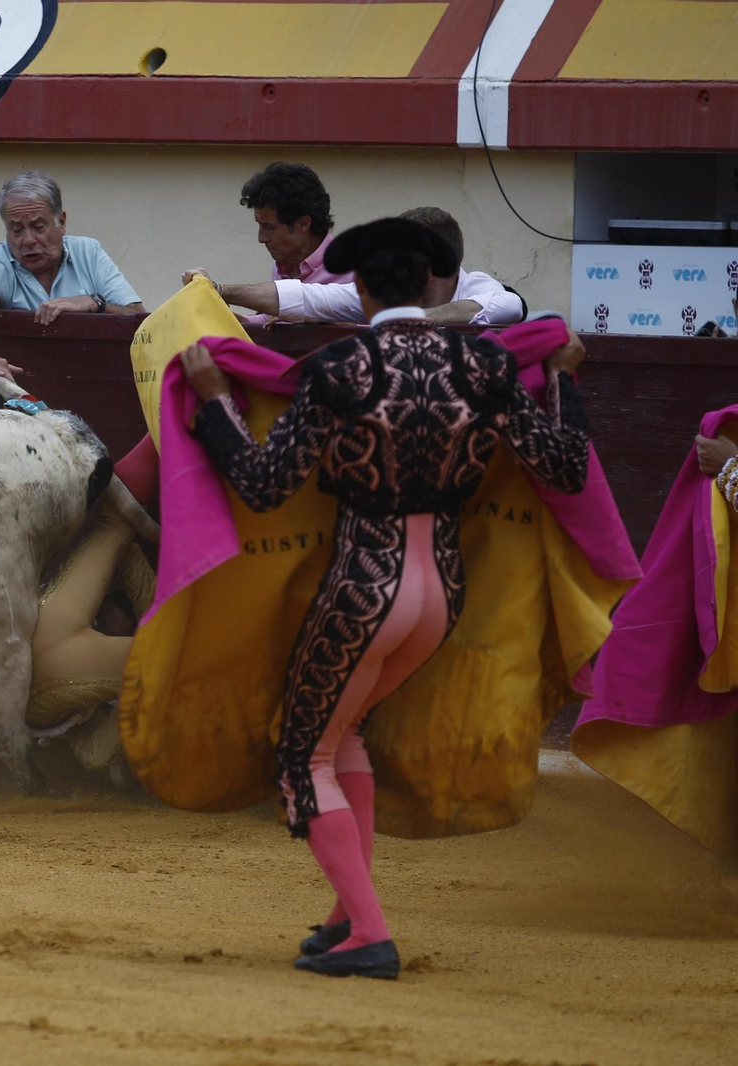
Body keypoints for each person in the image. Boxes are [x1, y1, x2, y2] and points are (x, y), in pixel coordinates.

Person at [180, 217, 590, 979]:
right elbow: (564, 468)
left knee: (303, 755)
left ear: (360, 288)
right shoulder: (485, 369)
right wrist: (563, 376)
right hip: (440, 596)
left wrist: (213, 403)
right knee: (347, 732)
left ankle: (368, 933)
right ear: (434, 284)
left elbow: (266, 487)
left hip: (364, 590)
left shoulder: (341, 369)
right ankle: (345, 919)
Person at [0, 172, 144, 383]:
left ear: (61, 222)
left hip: (95, 382)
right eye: (16, 230)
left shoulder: (88, 253)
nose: (28, 240)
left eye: (38, 227)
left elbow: (140, 320)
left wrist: (96, 304)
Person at [206, 207, 525, 326]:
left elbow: (508, 306)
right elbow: (310, 298)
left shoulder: (478, 287)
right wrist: (221, 290)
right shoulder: (388, 293)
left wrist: (416, 319)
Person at [184, 162, 348, 293]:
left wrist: (218, 289)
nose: (261, 238)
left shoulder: (353, 273)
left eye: (269, 227)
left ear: (303, 224)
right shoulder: (285, 264)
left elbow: (369, 331)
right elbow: (272, 323)